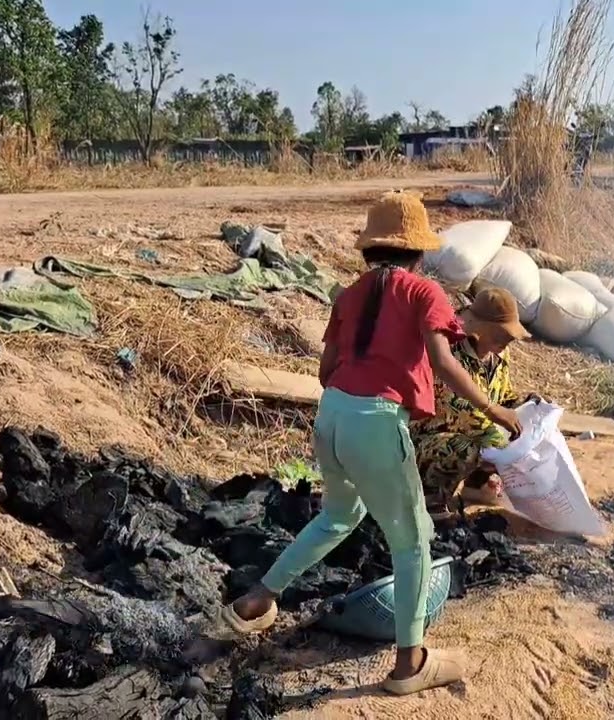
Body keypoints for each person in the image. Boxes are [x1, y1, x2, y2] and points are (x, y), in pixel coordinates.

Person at [219, 190, 522, 696]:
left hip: (332, 415)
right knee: (414, 542)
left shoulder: (348, 294)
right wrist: (497, 410)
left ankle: (255, 602)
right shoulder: (425, 293)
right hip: (377, 423)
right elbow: (446, 365)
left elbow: (324, 371)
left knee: (338, 515)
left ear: (371, 248)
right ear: (419, 251)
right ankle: (410, 663)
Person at [411, 284, 532, 516]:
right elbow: (458, 412)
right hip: (429, 438)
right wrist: (502, 447)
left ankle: (475, 488)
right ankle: (431, 495)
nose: (507, 342)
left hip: (475, 431)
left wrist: (524, 406)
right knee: (469, 448)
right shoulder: (451, 354)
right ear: (481, 329)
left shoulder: (498, 355)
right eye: (501, 334)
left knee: (508, 439)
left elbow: (502, 396)